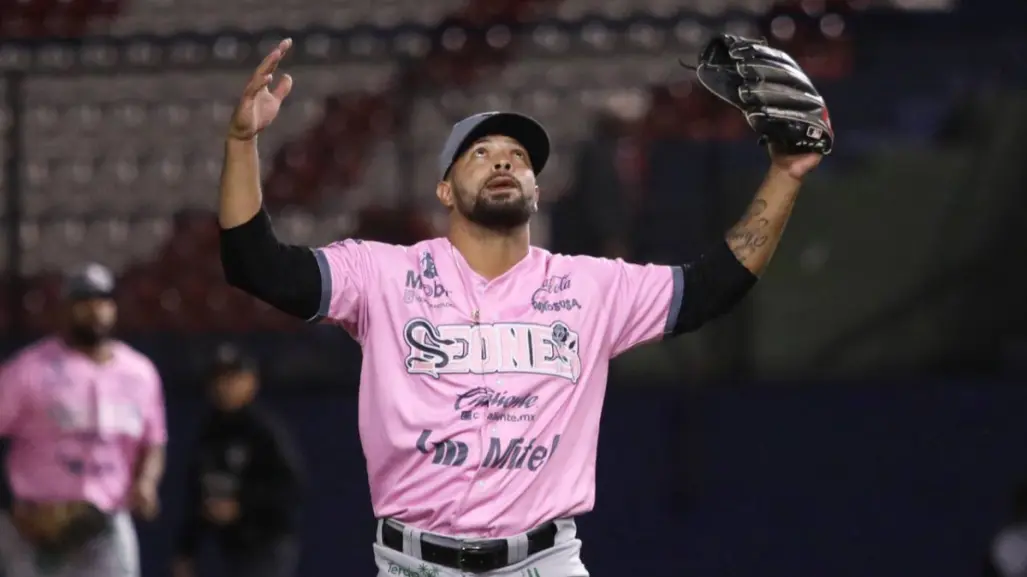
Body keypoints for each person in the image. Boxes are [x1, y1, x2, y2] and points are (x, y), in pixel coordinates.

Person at [216, 38, 822, 577]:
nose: (504, 160)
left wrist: (786, 173)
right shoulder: (381, 274)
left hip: (545, 562)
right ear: (445, 190)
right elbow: (257, 266)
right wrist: (243, 142)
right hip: (414, 565)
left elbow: (714, 286)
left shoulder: (590, 288)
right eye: (480, 153)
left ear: (536, 191)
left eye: (519, 157)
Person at [0, 263, 166, 577]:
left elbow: (153, 440)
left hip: (105, 520)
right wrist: (10, 506)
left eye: (103, 300)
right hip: (33, 525)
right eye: (84, 300)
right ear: (66, 308)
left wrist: (146, 482)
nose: (94, 310)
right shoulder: (28, 370)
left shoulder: (140, 373)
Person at [172, 344, 305, 577]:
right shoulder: (209, 430)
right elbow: (198, 492)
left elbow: (292, 488)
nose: (224, 386)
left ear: (251, 381)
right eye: (219, 378)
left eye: (233, 377)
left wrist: (241, 506)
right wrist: (186, 550)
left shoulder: (263, 430)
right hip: (229, 547)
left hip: (267, 544)